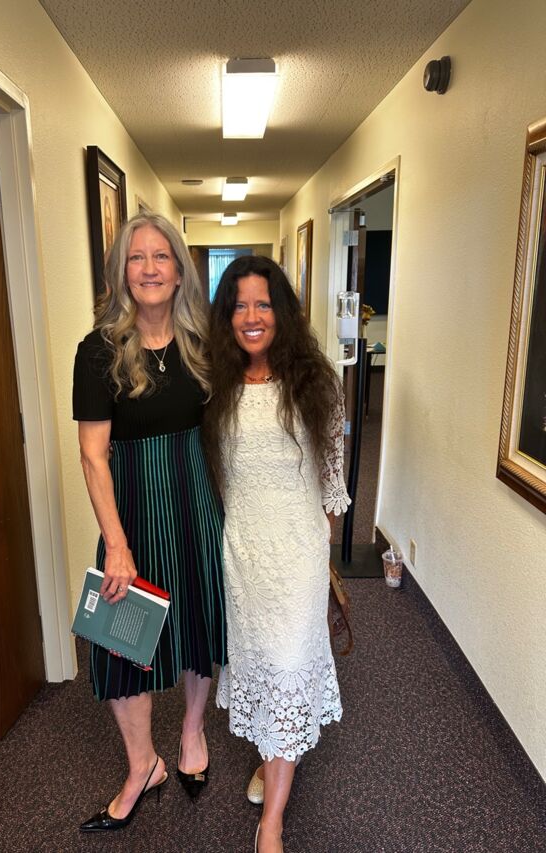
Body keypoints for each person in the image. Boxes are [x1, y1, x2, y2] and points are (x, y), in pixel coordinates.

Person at [73, 212, 227, 833]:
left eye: (161, 256)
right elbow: (92, 456)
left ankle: (191, 733)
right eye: (136, 258)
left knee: (197, 625)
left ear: (180, 270)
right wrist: (116, 543)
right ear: (121, 273)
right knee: (118, 640)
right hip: (132, 512)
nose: (149, 268)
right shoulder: (98, 351)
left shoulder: (204, 344)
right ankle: (143, 766)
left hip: (197, 505)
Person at [203, 255, 351, 853]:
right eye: (239, 306)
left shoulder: (316, 384)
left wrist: (317, 554)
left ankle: (272, 823)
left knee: (289, 665)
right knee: (261, 666)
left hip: (296, 556)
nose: (251, 316)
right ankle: (273, 760)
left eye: (263, 303)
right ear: (226, 317)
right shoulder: (216, 386)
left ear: (282, 310)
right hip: (242, 556)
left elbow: (332, 484)